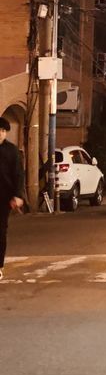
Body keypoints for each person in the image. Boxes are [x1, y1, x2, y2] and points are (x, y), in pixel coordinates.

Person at [0, 117, 25, 281]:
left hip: (3, 198)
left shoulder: (11, 150)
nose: (1, 134)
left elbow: (18, 174)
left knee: (0, 231)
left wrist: (17, 195)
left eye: (3, 131)